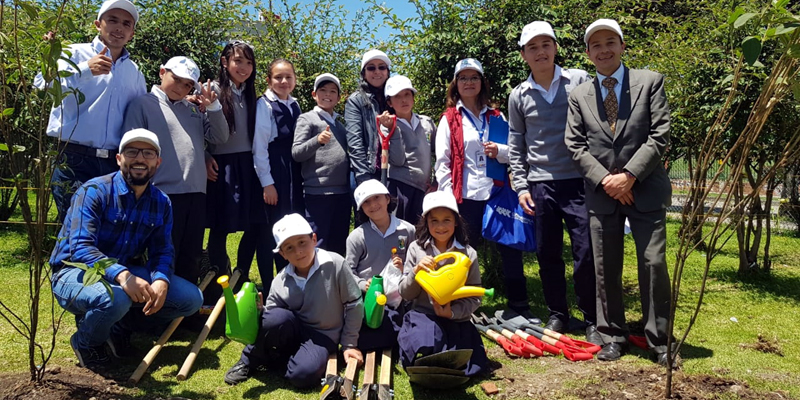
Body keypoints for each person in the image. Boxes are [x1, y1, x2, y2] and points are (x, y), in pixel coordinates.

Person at [564, 18, 676, 366]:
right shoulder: (579, 95)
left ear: (622, 45)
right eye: (596, 45)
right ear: (587, 53)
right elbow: (575, 144)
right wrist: (609, 181)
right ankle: (612, 334)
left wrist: (629, 176)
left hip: (645, 190)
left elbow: (660, 134)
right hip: (602, 194)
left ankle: (659, 339)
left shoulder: (649, 82)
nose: (604, 49)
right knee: (604, 266)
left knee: (653, 263)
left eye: (610, 42)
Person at [50, 129, 203, 372]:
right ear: (119, 158)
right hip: (73, 272)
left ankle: (118, 327)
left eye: (148, 153)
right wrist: (124, 276)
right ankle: (87, 343)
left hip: (123, 272)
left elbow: (162, 250)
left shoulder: (161, 202)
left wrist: (161, 279)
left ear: (157, 162)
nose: (140, 159)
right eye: (132, 152)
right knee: (116, 297)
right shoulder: (94, 191)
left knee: (191, 299)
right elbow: (80, 246)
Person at [507, 21, 600, 344]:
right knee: (547, 253)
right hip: (540, 184)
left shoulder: (578, 80)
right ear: (524, 55)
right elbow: (516, 142)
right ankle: (558, 313)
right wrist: (521, 187)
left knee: (586, 252)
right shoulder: (519, 95)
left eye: (546, 44)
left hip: (579, 181)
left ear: (556, 48)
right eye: (532, 47)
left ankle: (591, 317)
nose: (540, 51)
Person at [434, 58, 533, 319]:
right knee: (465, 254)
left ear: (481, 82)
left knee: (510, 249)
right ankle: (465, 307)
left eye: (474, 77)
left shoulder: (497, 115)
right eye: (463, 78)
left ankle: (518, 305)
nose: (469, 82)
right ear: (456, 85)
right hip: (466, 197)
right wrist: (448, 201)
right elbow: (442, 163)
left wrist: (499, 151)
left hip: (497, 192)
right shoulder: (449, 119)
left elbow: (517, 151)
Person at [34, 0, 146, 221]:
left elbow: (141, 111)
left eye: (126, 24)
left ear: (132, 33)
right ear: (98, 24)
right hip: (73, 157)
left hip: (113, 163)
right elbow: (41, 85)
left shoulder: (135, 73)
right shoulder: (73, 53)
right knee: (75, 227)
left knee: (107, 227)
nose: (119, 28)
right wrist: (84, 70)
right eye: (112, 20)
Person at [122, 56, 230, 285]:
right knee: (161, 257)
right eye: (177, 79)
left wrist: (213, 106)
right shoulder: (142, 104)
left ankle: (184, 315)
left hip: (196, 193)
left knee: (189, 258)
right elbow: (131, 149)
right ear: (162, 72)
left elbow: (220, 137)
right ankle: (157, 315)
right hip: (161, 193)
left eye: (188, 84)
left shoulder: (193, 109)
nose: (182, 87)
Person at [224, 213, 364, 388]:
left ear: (314, 239)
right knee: (273, 318)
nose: (298, 251)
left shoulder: (335, 264)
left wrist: (349, 343)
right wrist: (260, 312)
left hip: (323, 335)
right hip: (295, 330)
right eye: (289, 248)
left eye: (302, 243)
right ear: (282, 254)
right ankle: (248, 360)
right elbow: (272, 320)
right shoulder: (281, 280)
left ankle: (274, 360)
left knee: (302, 375)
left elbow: (354, 303)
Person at [397, 191, 487, 376]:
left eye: (446, 220)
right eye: (434, 221)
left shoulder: (468, 254)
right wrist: (415, 273)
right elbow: (405, 294)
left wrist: (452, 312)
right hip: (424, 315)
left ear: (456, 220)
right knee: (426, 342)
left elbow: (475, 295)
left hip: (456, 318)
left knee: (466, 360)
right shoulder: (416, 249)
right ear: (426, 223)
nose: (440, 227)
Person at [204, 40, 268, 296]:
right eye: (238, 60)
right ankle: (219, 282)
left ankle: (240, 276)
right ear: (225, 62)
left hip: (249, 165)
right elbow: (196, 128)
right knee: (221, 226)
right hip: (223, 165)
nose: (243, 67)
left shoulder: (253, 94)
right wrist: (206, 155)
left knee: (254, 224)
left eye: (248, 62)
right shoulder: (213, 90)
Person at [346, 179, 415, 351]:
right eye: (366, 202)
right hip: (368, 298)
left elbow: (416, 263)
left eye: (377, 197)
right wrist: (363, 284)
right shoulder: (357, 237)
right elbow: (348, 272)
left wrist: (403, 270)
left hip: (399, 297)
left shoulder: (407, 230)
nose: (373, 205)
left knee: (393, 324)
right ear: (361, 208)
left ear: (387, 198)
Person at [253, 58, 303, 281]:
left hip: (293, 170)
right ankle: (268, 283)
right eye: (278, 77)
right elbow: (259, 146)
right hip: (274, 169)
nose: (284, 81)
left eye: (288, 77)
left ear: (294, 80)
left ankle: (290, 275)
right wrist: (267, 183)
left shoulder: (295, 104)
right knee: (269, 231)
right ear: (269, 80)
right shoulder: (264, 105)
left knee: (290, 226)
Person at [292, 73, 349, 256]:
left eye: (333, 91)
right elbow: (297, 153)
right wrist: (317, 140)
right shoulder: (307, 119)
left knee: (339, 242)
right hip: (318, 192)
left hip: (342, 192)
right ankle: (315, 280)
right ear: (314, 94)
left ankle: (334, 281)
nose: (328, 94)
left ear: (339, 98)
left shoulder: (340, 125)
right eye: (323, 90)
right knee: (318, 242)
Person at [381, 75, 437, 221]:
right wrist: (393, 130)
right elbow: (397, 160)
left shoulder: (426, 122)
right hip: (400, 187)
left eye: (407, 94)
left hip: (424, 188)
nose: (403, 100)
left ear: (413, 98)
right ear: (390, 102)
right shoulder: (387, 126)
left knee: (421, 231)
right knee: (402, 232)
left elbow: (439, 153)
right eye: (397, 96)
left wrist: (436, 181)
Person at [345, 49, 392, 186]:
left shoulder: (396, 98)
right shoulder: (356, 100)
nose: (377, 71)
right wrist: (364, 179)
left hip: (393, 173)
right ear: (364, 74)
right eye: (371, 68)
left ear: (387, 72)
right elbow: (355, 143)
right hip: (367, 172)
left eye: (381, 67)